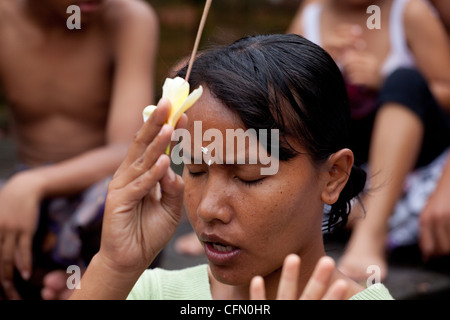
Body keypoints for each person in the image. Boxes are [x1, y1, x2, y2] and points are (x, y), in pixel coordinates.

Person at [70, 34, 393, 300]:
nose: (209, 208)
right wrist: (114, 266)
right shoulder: (146, 292)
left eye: (248, 176)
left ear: (333, 175)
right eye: (195, 170)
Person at [0, 0, 158, 299]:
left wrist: (36, 183)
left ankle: (89, 281)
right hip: (26, 200)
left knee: (135, 200)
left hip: (99, 194)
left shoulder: (127, 19)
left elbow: (130, 148)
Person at [288, 0, 450, 281]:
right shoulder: (310, 18)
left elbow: (445, 87)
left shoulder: (409, 11)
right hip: (351, 162)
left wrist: (382, 80)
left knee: (404, 81)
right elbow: (276, 95)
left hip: (415, 156)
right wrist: (317, 67)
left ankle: (370, 232)